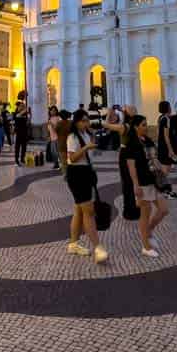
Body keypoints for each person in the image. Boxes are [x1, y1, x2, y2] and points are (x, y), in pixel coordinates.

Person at [64, 109, 108, 263]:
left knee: (79, 210)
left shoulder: (86, 134)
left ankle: (73, 244)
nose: (86, 123)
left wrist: (92, 141)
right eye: (83, 121)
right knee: (88, 211)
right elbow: (72, 158)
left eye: (87, 120)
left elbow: (91, 153)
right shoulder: (72, 137)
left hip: (86, 172)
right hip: (76, 174)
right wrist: (85, 148)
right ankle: (98, 248)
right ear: (76, 122)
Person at [122, 113, 168, 257]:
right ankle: (146, 246)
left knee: (164, 209)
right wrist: (135, 185)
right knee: (145, 215)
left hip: (154, 180)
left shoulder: (147, 140)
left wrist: (162, 170)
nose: (146, 127)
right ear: (136, 127)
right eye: (143, 125)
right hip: (142, 182)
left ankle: (148, 231)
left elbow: (154, 158)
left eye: (146, 124)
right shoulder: (131, 144)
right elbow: (131, 167)